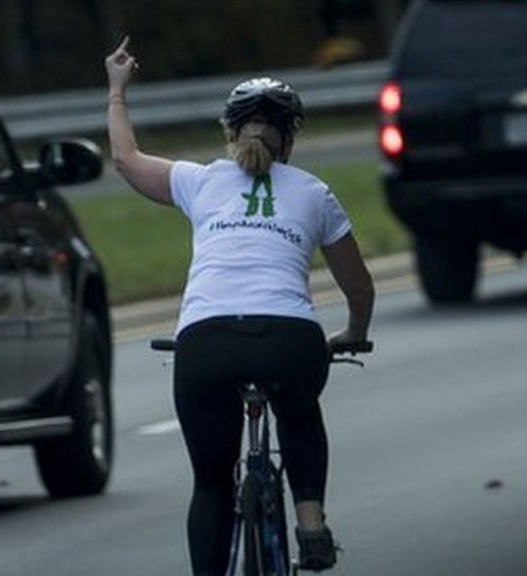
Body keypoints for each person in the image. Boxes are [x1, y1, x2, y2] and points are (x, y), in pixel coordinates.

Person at [104, 37, 375, 574]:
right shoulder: (314, 192)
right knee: (299, 410)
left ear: (230, 132)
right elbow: (359, 287)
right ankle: (312, 521)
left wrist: (117, 91)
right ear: (290, 138)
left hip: (206, 341)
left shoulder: (199, 180)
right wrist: (352, 332)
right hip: (290, 339)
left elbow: (125, 159)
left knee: (210, 482)